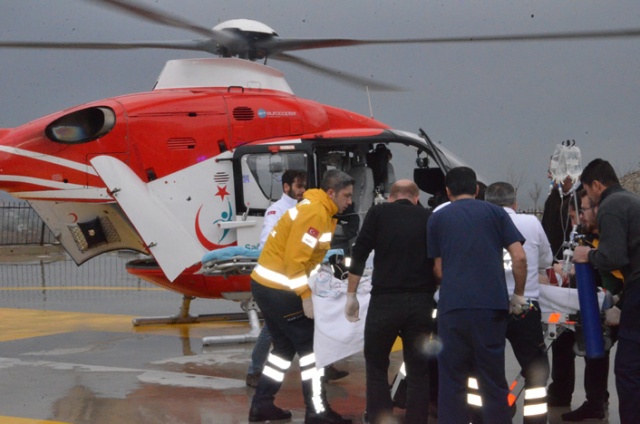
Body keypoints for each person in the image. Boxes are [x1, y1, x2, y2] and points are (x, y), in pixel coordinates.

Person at [248, 169, 354, 424]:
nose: (350, 202)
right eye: (347, 195)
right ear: (331, 193)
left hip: (268, 286)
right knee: (312, 352)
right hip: (281, 289)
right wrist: (305, 295)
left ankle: (262, 404)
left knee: (284, 349)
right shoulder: (315, 213)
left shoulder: (320, 210)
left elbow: (308, 258)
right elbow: (295, 261)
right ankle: (317, 411)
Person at [427, 166, 528, 423]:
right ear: (477, 189)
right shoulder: (496, 213)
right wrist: (518, 294)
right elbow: (519, 256)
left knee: (452, 383)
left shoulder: (437, 218)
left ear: (448, 191)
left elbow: (438, 269)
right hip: (490, 308)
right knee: (492, 382)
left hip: (453, 308)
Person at [344, 180, 437, 424]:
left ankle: (379, 418)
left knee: (376, 366)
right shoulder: (429, 217)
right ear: (416, 198)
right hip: (421, 302)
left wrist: (351, 295)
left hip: (384, 301)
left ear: (391, 197)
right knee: (418, 371)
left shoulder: (378, 213)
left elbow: (360, 252)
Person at [572, 158, 640, 424]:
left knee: (628, 369)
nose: (589, 200)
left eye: (588, 192)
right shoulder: (631, 200)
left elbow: (612, 257)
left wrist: (587, 254)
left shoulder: (611, 206)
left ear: (597, 185)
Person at [485, 182, 552, 424]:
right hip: (525, 305)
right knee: (536, 369)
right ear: (514, 203)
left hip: (488, 305)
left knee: (485, 368)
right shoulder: (531, 223)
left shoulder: (480, 222)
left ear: (486, 203)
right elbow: (546, 259)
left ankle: (492, 415)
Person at [557, 188, 623, 421]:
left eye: (578, 214)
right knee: (594, 353)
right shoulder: (585, 238)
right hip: (595, 304)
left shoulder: (611, 237)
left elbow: (620, 270)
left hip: (618, 303)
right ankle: (596, 402)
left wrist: (619, 302)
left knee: (612, 359)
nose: (576, 222)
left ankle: (598, 403)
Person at [246, 169, 307, 388]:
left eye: (304, 186)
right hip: (276, 282)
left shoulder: (303, 209)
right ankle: (254, 370)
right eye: (298, 186)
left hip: (293, 278)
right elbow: (267, 244)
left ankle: (325, 367)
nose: (302, 190)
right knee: (272, 329)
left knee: (298, 324)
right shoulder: (276, 211)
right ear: (286, 187)